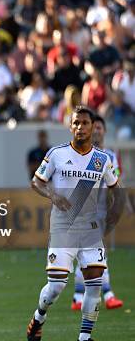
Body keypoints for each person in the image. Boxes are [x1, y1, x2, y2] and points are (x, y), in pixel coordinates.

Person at [27, 106, 125, 341]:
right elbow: (36, 181)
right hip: (63, 226)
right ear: (70, 127)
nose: (80, 127)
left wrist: (116, 211)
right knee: (57, 287)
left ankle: (84, 339)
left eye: (85, 123)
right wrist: (53, 195)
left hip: (90, 228)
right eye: (76, 123)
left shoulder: (103, 159)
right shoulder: (57, 154)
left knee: (95, 284)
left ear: (93, 127)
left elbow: (116, 187)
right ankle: (39, 316)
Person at [71, 115, 124, 311]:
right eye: (96, 127)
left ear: (104, 131)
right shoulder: (81, 153)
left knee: (90, 252)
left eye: (101, 127)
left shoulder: (110, 155)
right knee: (96, 251)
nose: (98, 131)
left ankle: (78, 295)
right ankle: (108, 294)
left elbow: (115, 181)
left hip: (102, 209)